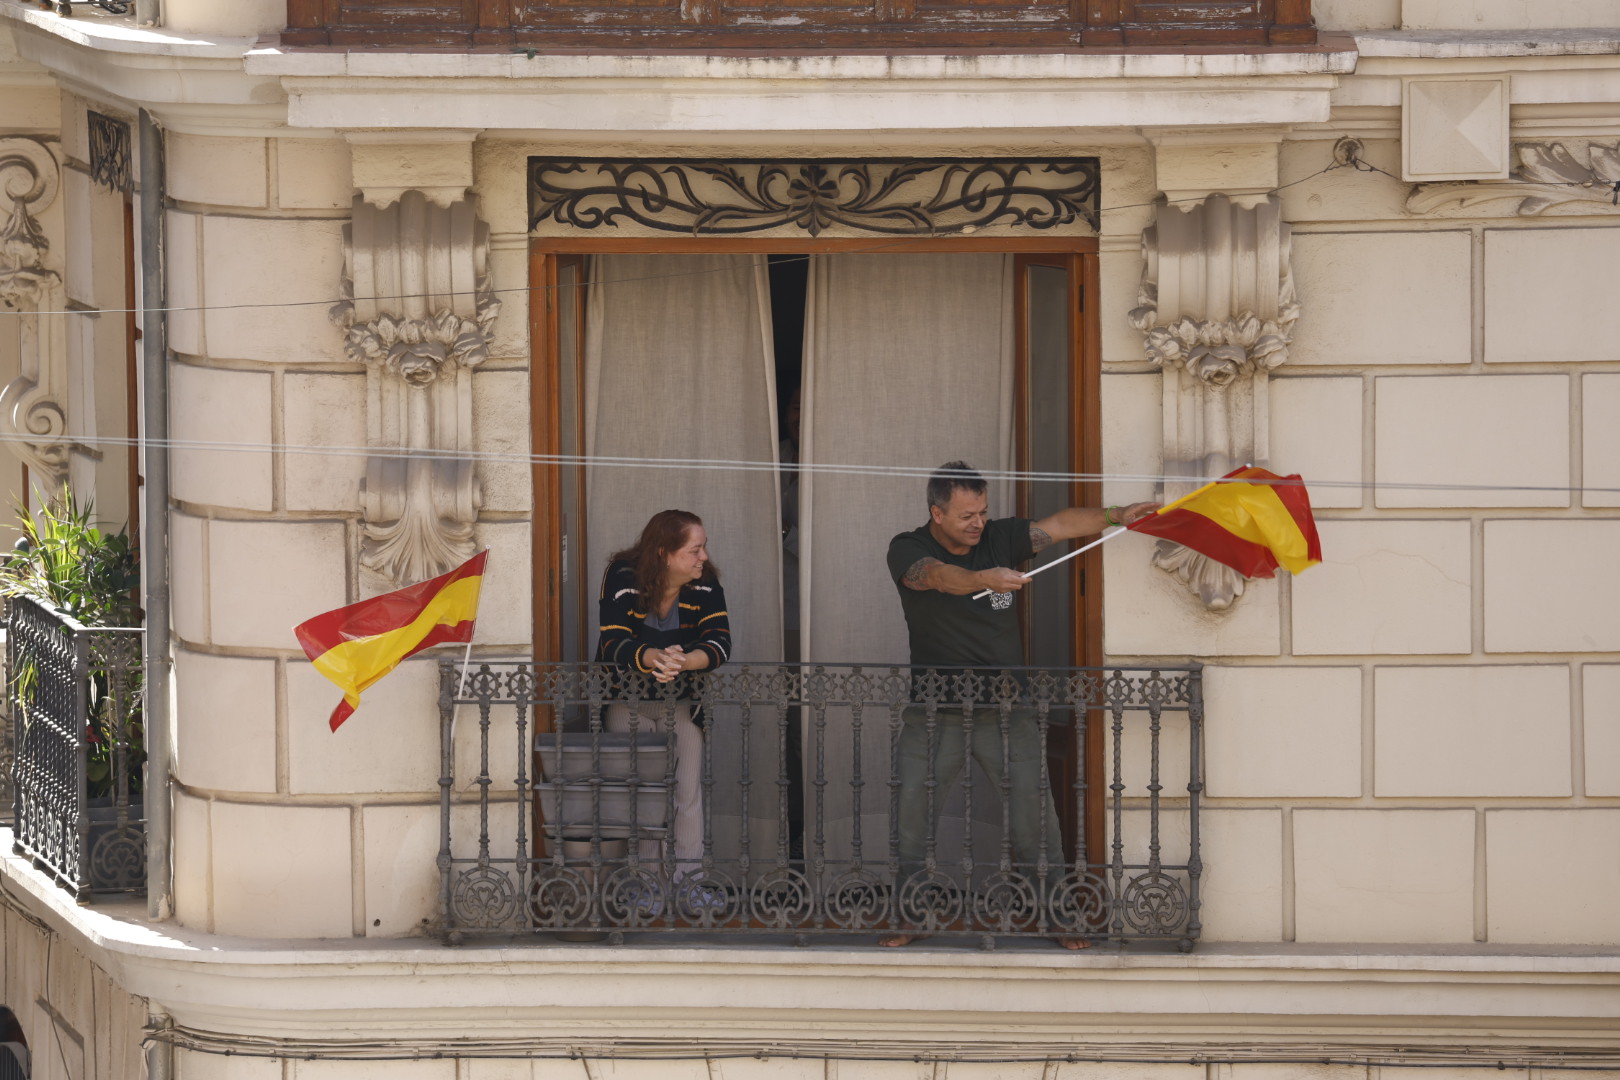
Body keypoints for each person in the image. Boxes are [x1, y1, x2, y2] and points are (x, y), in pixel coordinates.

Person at [881, 461, 1157, 948]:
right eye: (967, 515)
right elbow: (938, 577)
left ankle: (1057, 914)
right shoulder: (908, 548)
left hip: (1007, 709)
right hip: (934, 709)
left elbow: (1064, 524)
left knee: (1035, 816)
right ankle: (910, 914)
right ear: (936, 513)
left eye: (983, 512)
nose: (978, 523)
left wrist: (1120, 514)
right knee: (912, 812)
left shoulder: (1001, 538)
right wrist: (983, 577)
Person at [596, 510, 731, 875]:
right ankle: (647, 882)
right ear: (663, 553)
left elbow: (719, 642)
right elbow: (614, 640)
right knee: (644, 796)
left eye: (703, 548)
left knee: (687, 794)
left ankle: (690, 883)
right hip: (629, 702)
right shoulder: (623, 574)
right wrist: (654, 657)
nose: (703, 557)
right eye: (694, 549)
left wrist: (684, 662)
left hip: (684, 702)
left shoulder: (705, 582)